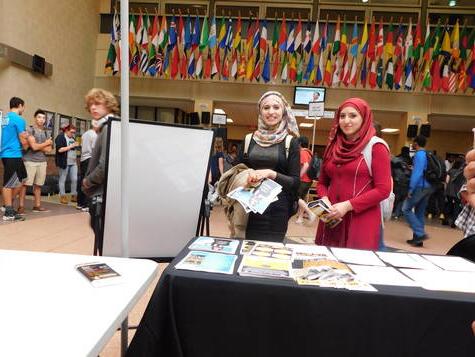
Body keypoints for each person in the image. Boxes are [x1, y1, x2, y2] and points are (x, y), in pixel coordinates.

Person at [315, 97, 391, 250]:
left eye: (353, 115)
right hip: (332, 216)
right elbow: (322, 182)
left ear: (364, 118)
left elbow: (383, 189)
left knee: (355, 266)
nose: (346, 121)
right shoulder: (333, 146)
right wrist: (324, 199)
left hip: (361, 218)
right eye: (342, 116)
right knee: (327, 264)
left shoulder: (376, 146)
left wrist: (347, 206)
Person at [240, 91, 300, 242]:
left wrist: (270, 174)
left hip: (277, 210)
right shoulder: (248, 139)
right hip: (249, 208)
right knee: (248, 251)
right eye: (266, 107)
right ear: (260, 111)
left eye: (276, 107)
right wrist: (248, 176)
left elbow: (295, 182)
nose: (271, 112)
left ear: (283, 111)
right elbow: (237, 170)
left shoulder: (290, 142)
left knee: (272, 254)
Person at [81, 88, 119, 255]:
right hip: (105, 191)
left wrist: (87, 181)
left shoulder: (109, 128)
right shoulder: (107, 127)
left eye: (97, 103)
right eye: (91, 105)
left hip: (102, 192)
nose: (93, 108)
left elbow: (105, 165)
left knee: (103, 238)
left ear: (108, 105)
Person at [19, 109, 53, 213]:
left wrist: (38, 146)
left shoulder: (46, 132)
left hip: (42, 161)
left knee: (38, 185)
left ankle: (37, 206)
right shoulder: (29, 130)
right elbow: (33, 147)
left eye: (43, 118)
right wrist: (45, 143)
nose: (41, 120)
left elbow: (49, 149)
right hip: (30, 161)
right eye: (39, 117)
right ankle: (21, 206)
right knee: (25, 185)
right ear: (35, 118)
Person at [0, 97, 29, 221]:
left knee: (22, 178)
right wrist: (27, 142)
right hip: (12, 154)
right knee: (8, 183)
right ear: (19, 105)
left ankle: (7, 205)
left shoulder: (4, 119)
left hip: (8, 155)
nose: (23, 109)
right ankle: (8, 212)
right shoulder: (19, 119)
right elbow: (23, 141)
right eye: (23, 107)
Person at [404, 135, 433, 247]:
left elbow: (418, 173)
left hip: (419, 187)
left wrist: (411, 188)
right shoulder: (427, 154)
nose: (412, 144)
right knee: (419, 213)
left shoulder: (419, 154)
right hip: (427, 186)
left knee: (405, 209)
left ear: (416, 143)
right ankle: (417, 240)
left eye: (413, 142)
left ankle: (420, 234)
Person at [76, 121, 99, 211]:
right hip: (90, 159)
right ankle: (86, 205)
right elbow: (94, 149)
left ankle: (80, 203)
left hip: (83, 159)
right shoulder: (94, 135)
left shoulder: (85, 134)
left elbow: (82, 147)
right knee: (88, 181)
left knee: (82, 180)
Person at [55, 124, 79, 204]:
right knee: (63, 179)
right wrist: (71, 146)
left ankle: (74, 195)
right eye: (71, 132)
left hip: (73, 162)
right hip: (64, 162)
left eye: (74, 133)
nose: (72, 134)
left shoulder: (72, 138)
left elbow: (73, 148)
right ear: (66, 130)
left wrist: (76, 146)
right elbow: (60, 150)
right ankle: (63, 196)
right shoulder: (60, 137)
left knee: (74, 179)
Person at [295, 136, 316, 224]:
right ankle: (300, 218)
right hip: (309, 179)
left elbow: (306, 165)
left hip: (303, 179)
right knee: (302, 199)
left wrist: (298, 177)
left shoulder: (303, 152)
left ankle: (309, 212)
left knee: (296, 197)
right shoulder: (310, 152)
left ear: (299, 143)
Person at [391, 146, 412, 219]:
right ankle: (398, 212)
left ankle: (394, 212)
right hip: (406, 182)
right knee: (402, 198)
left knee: (396, 197)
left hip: (396, 181)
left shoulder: (396, 158)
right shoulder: (410, 160)